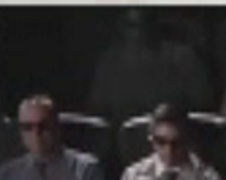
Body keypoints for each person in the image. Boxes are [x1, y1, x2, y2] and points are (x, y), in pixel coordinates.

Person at [86, 9, 214, 120]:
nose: (140, 33)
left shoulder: (184, 59)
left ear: (154, 24)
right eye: (131, 26)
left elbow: (203, 107)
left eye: (146, 23)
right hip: (123, 138)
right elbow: (97, 111)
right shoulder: (110, 62)